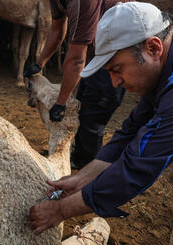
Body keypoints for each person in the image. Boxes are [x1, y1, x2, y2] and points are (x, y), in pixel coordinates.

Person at [28, 2, 173, 245]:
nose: (114, 82)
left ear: (153, 48)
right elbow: (130, 130)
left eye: (117, 69)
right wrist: (83, 178)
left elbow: (136, 170)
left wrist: (59, 211)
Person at [23, 0, 129, 170]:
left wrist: (60, 103)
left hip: (118, 55)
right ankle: (79, 158)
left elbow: (77, 59)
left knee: (93, 115)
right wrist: (40, 63)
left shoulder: (83, 2)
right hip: (97, 55)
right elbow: (57, 30)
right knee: (84, 105)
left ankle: (88, 170)